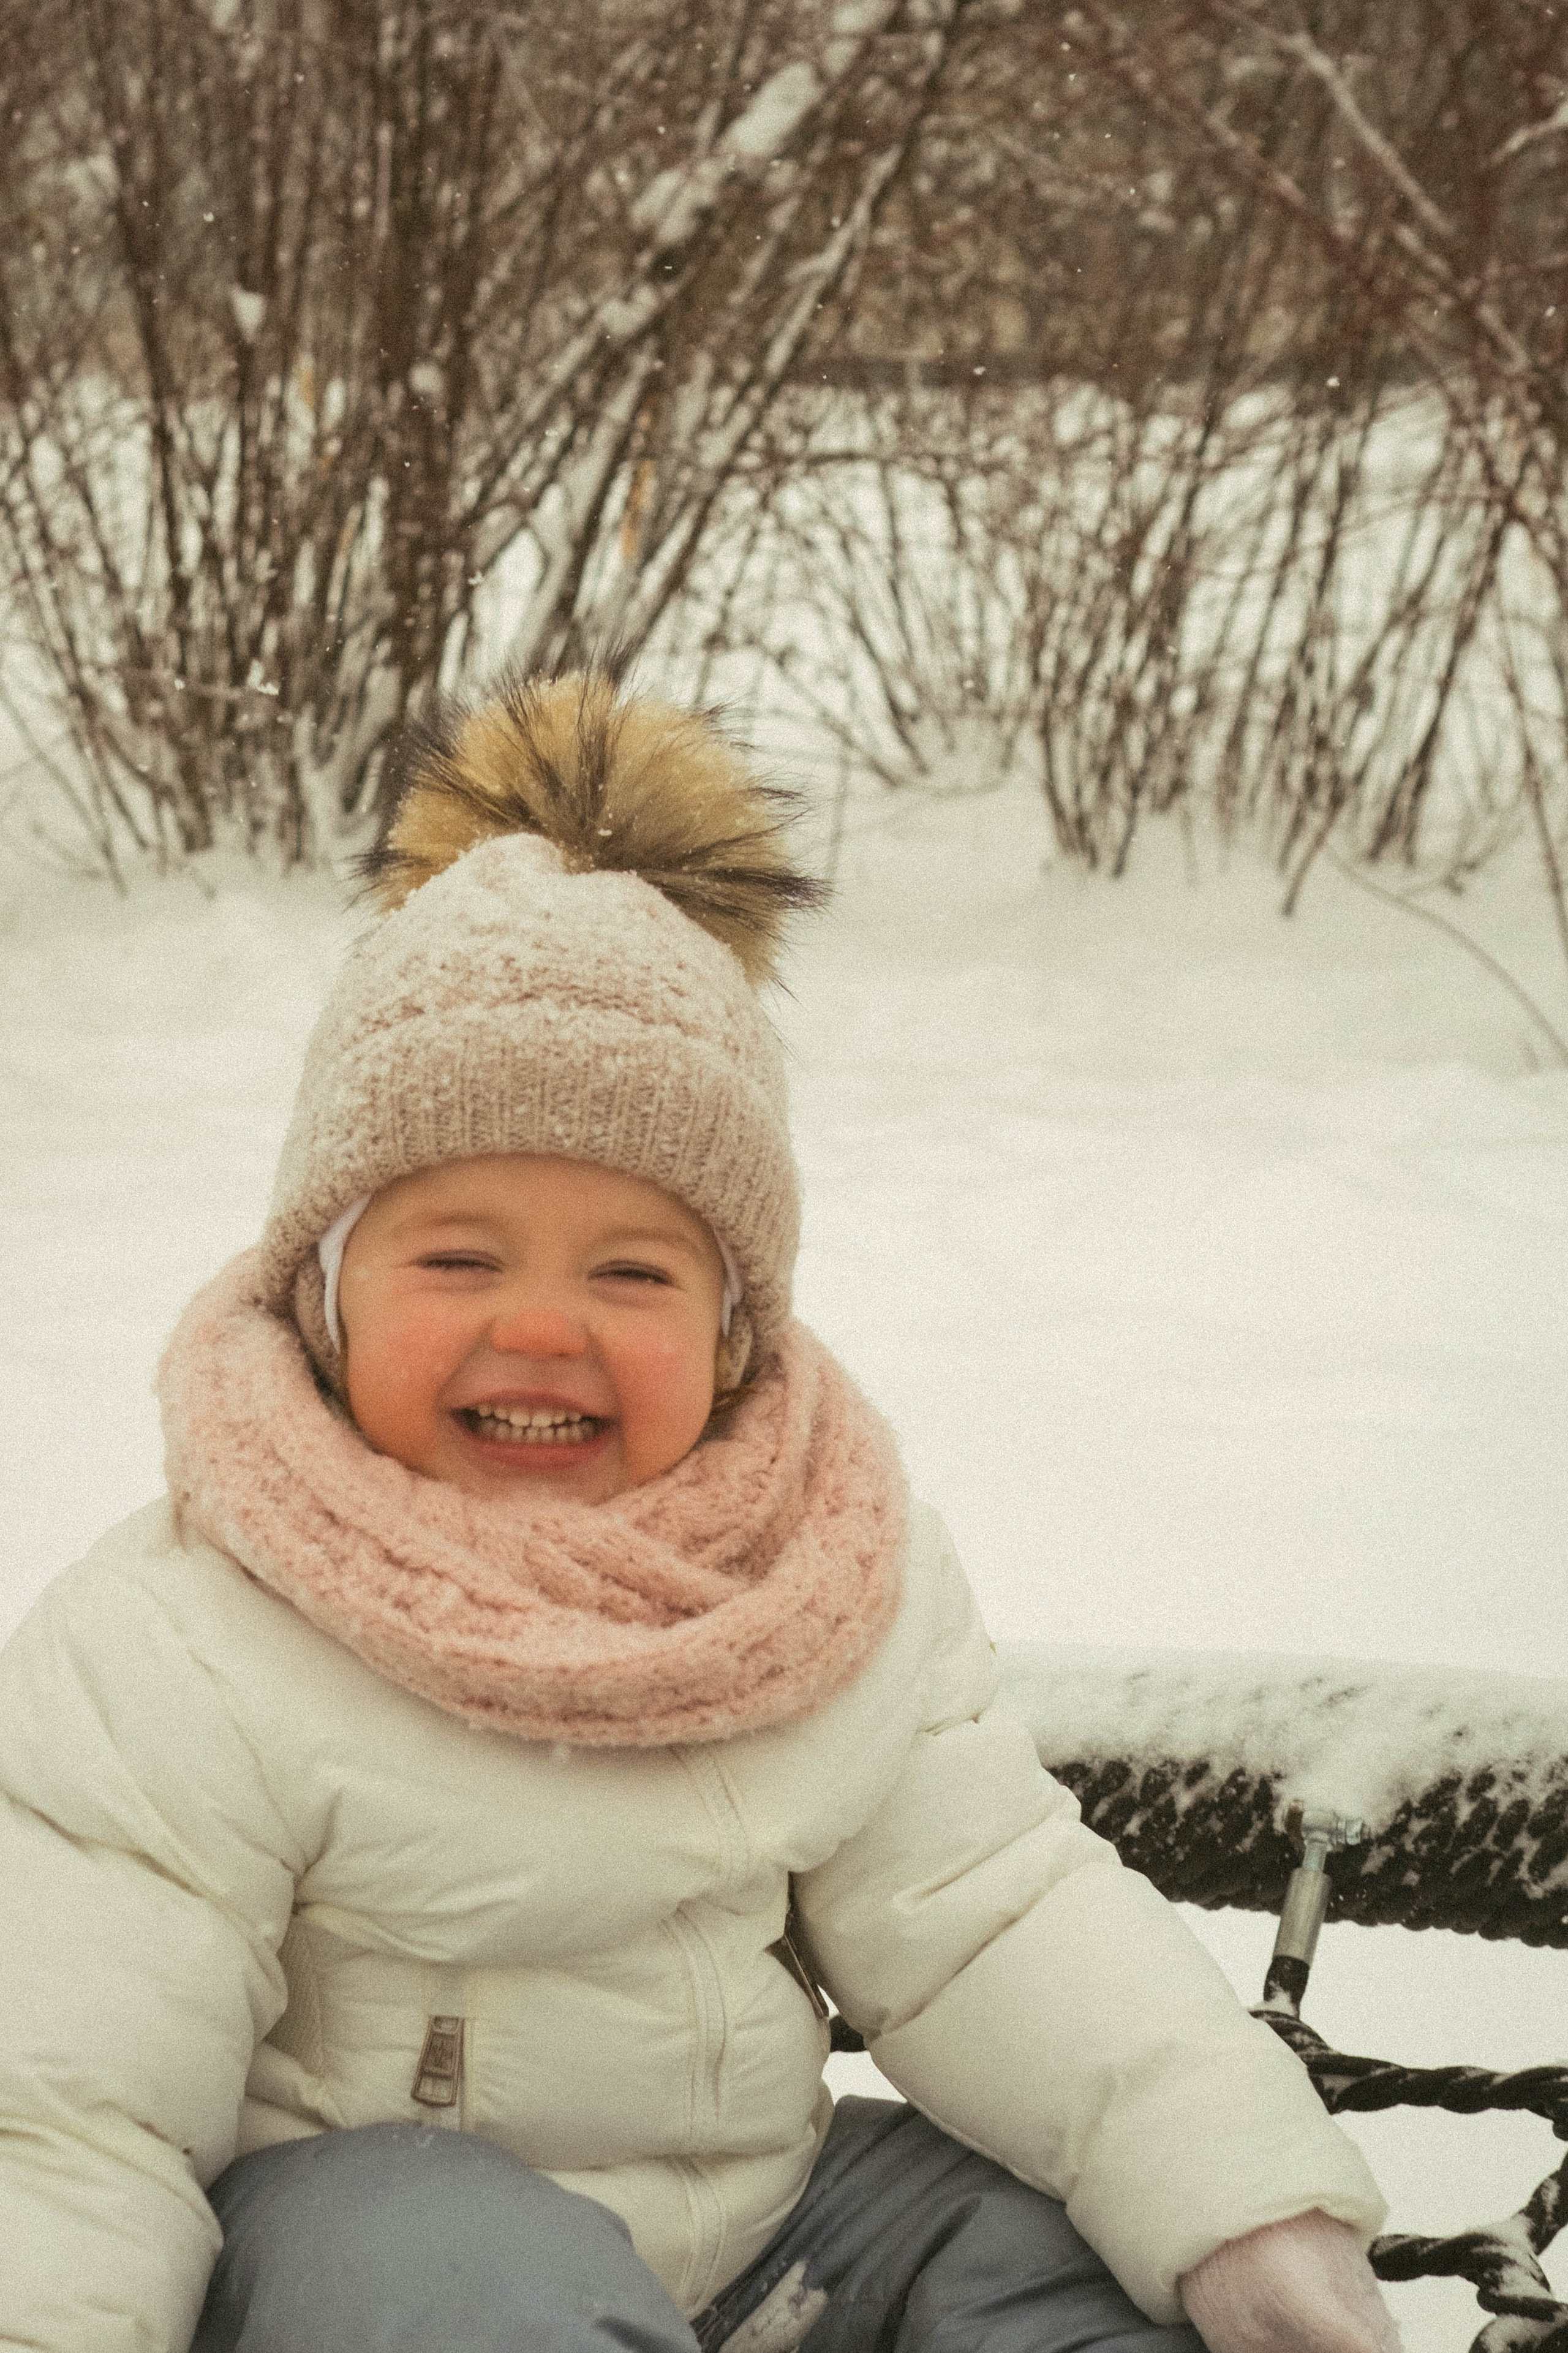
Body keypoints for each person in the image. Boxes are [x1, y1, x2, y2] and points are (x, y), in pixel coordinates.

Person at [0, 673, 1400, 2353]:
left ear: (735, 1328)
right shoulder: (183, 1639)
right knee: (428, 2246)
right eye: (457, 1254)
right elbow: (65, 2105)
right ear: (325, 1292)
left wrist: (1236, 2195)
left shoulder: (812, 1581)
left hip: (767, 2244)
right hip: (352, 2282)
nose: (543, 1324)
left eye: (633, 1270)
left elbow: (996, 1916)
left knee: (1028, 2234)